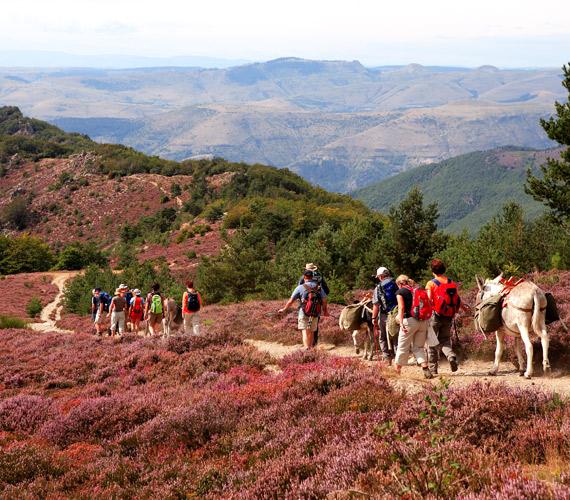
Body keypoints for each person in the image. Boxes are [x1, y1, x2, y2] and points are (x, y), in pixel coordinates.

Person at [425, 259, 463, 375]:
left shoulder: (431, 283)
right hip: (448, 315)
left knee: (431, 341)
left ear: (433, 271)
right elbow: (457, 298)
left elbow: (429, 299)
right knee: (445, 340)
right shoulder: (451, 282)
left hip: (435, 316)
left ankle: (433, 368)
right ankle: (451, 356)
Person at [394, 275, 432, 379]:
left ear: (400, 284)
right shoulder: (416, 290)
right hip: (422, 321)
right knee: (418, 347)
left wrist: (401, 323)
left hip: (409, 322)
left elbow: (401, 308)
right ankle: (425, 368)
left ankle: (396, 372)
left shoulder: (400, 292)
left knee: (402, 346)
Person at [279, 269, 329, 348]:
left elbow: (291, 301)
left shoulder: (300, 287)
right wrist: (325, 311)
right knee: (312, 331)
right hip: (315, 312)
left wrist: (284, 309)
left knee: (305, 331)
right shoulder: (319, 287)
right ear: (312, 277)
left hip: (304, 311)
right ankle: (311, 348)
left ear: (305, 277)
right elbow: (324, 300)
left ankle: (306, 348)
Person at [297, 263, 330, 346]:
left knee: (304, 326)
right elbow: (327, 290)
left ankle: (306, 344)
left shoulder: (303, 277)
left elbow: (299, 290)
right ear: (314, 269)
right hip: (317, 304)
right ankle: (314, 344)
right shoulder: (319, 277)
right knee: (314, 325)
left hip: (305, 305)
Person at [371, 266, 398, 363]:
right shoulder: (396, 283)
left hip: (384, 315)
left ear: (381, 276)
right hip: (396, 314)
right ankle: (397, 356)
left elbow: (376, 305)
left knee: (382, 336)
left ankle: (386, 356)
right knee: (395, 335)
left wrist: (374, 318)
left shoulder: (378, 288)